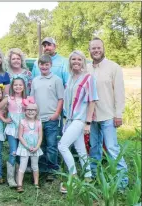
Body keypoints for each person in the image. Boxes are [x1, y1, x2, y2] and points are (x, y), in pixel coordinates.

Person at [87, 37, 129, 189]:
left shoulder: (113, 67)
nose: (96, 50)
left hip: (108, 116)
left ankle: (122, 183)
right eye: (93, 48)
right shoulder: (87, 68)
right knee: (94, 147)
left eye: (98, 48)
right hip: (91, 117)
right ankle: (94, 176)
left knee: (112, 148)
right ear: (89, 51)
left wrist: (119, 114)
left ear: (103, 49)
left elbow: (119, 92)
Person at [58, 50, 98, 194]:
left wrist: (88, 122)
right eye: (73, 59)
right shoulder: (70, 78)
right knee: (81, 149)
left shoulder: (88, 78)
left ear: (83, 61)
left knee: (62, 146)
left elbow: (92, 100)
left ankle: (73, 177)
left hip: (80, 119)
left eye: (79, 59)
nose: (76, 62)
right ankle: (88, 177)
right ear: (70, 62)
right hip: (69, 119)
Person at [30, 54, 64, 181]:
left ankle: (52, 169)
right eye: (41, 64)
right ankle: (42, 168)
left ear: (51, 65)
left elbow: (61, 99)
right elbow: (32, 99)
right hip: (38, 118)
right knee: (41, 144)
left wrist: (56, 114)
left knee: (51, 145)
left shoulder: (56, 80)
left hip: (51, 118)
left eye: (46, 64)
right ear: (38, 66)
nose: (44, 67)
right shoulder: (35, 80)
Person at [0, 77, 27, 188]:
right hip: (12, 129)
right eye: (15, 85)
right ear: (12, 86)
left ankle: (18, 176)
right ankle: (10, 178)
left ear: (24, 87)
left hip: (23, 129)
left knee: (20, 152)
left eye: (20, 85)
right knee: (13, 151)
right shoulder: (9, 98)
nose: (18, 87)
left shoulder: (26, 99)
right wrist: (4, 120)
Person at [16, 97, 43, 192]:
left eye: (33, 110)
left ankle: (36, 183)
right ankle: (19, 184)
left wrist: (37, 147)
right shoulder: (22, 122)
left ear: (36, 111)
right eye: (28, 110)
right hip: (24, 148)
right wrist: (27, 146)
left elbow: (40, 137)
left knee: (35, 166)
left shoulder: (39, 122)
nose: (30, 112)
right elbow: (20, 136)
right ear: (25, 111)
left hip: (35, 148)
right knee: (22, 166)